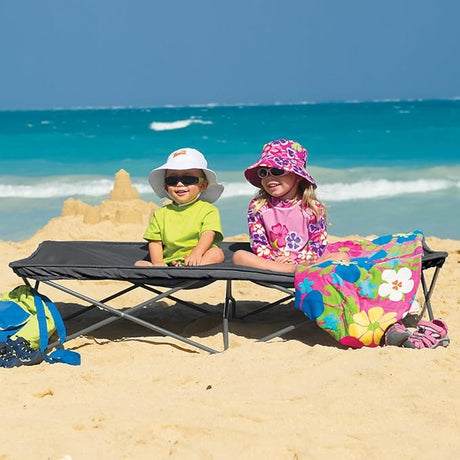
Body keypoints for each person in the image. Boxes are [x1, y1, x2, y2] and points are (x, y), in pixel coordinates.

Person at [232, 138, 340, 273]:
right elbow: (259, 243)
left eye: (277, 171)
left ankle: (293, 268)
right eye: (263, 173)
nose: (269, 178)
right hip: (276, 261)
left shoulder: (312, 208)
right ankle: (292, 269)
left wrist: (302, 260)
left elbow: (317, 243)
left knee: (341, 257)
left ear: (297, 176)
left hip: (306, 260)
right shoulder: (258, 207)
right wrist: (274, 258)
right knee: (239, 256)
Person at [135, 148, 225, 267]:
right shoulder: (160, 214)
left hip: (200, 257)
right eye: (172, 180)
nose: (179, 184)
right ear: (166, 187)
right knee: (139, 264)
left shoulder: (208, 210)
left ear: (203, 185)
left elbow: (208, 234)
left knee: (216, 253)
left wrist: (196, 254)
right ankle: (167, 270)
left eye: (188, 179)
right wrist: (158, 263)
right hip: (170, 262)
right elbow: (155, 242)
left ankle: (192, 269)